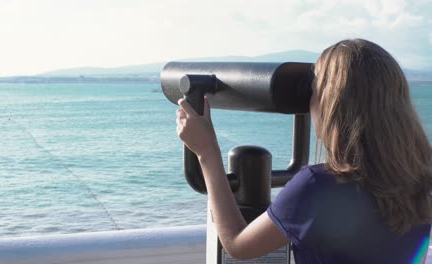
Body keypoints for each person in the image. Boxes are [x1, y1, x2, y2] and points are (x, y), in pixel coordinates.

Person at [175, 39, 432, 263]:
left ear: (331, 105)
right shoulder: (421, 180)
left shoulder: (316, 186)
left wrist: (206, 152)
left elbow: (238, 245)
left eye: (314, 90)